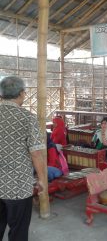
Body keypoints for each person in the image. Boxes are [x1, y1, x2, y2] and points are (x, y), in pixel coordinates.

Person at [0, 76, 46, 241]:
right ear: (21, 94)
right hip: (18, 188)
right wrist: (41, 180)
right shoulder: (27, 118)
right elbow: (36, 153)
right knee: (18, 231)